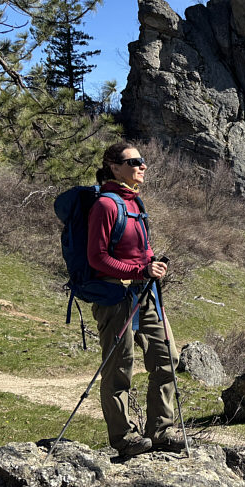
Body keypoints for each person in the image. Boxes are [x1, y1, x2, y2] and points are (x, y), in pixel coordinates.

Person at [88, 142, 185, 456]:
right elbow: (97, 258)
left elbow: (138, 251)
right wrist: (140, 269)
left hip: (145, 293)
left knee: (167, 357)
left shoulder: (136, 203)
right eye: (135, 161)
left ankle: (161, 430)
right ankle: (124, 437)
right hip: (116, 295)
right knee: (119, 367)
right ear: (115, 167)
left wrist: (152, 265)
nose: (142, 166)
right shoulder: (106, 205)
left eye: (142, 161)